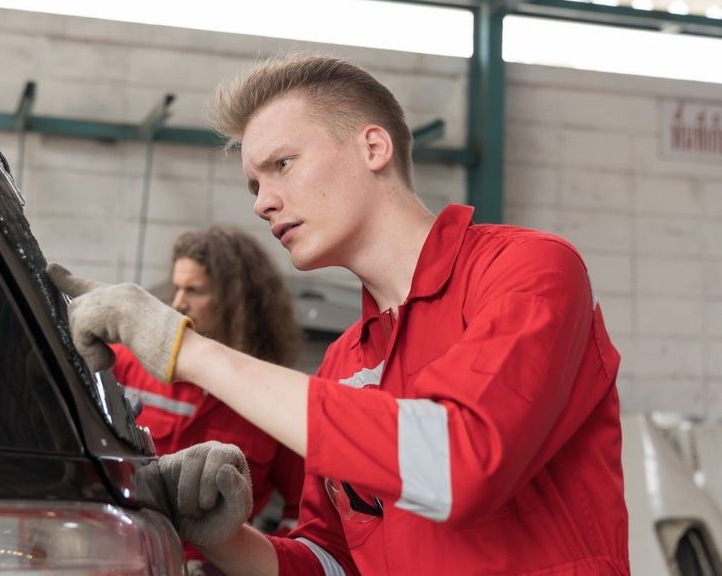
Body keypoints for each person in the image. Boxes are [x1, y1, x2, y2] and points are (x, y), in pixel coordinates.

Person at [49, 54, 629, 575]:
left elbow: (460, 462)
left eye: (282, 164)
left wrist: (188, 350)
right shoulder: (344, 363)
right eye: (254, 182)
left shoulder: (526, 270)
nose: (261, 201)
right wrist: (223, 537)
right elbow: (335, 561)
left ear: (372, 148)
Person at [111, 227, 305, 556]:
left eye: (194, 290)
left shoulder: (273, 400)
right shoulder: (129, 363)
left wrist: (263, 559)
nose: (177, 303)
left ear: (235, 303)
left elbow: (302, 507)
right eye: (177, 287)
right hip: (125, 557)